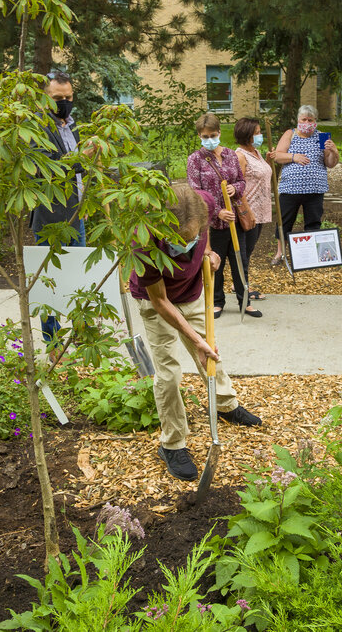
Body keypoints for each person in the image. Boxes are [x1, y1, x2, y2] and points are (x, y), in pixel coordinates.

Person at [129, 183, 262, 481]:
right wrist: (195, 339)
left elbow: (206, 236)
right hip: (156, 301)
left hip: (191, 291)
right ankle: (173, 443)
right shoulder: (144, 239)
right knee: (169, 373)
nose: (186, 245)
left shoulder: (202, 203)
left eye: (192, 238)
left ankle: (226, 405)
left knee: (210, 352)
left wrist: (212, 253)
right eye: (179, 241)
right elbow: (161, 301)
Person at [30, 70, 87, 362]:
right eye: (57, 98)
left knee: (80, 281)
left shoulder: (74, 126)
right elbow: (46, 168)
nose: (64, 103)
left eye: (68, 98)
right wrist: (82, 160)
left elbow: (80, 169)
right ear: (44, 98)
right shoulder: (36, 128)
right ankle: (53, 345)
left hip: (78, 216)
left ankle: (82, 338)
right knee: (50, 283)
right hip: (51, 219)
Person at [186, 113, 262, 319]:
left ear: (219, 132)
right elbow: (196, 192)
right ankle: (217, 302)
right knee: (214, 262)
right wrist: (217, 210)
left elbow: (241, 181)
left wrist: (234, 190)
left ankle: (244, 301)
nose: (209, 139)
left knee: (241, 260)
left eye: (212, 135)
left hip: (235, 219)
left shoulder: (230, 155)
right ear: (200, 137)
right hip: (213, 223)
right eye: (204, 136)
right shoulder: (195, 160)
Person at [273, 105, 339, 245]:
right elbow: (277, 156)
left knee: (313, 222)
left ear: (316, 121)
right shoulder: (290, 134)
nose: (307, 123)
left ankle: (311, 254)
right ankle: (281, 253)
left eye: (310, 120)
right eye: (304, 119)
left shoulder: (322, 136)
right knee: (285, 221)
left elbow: (330, 163)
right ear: (298, 120)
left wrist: (334, 152)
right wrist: (293, 157)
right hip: (290, 188)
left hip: (315, 189)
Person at [234, 117, 276, 303]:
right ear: (247, 135)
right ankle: (243, 288)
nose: (260, 136)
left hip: (262, 210)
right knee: (243, 253)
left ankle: (241, 284)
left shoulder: (256, 153)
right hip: (249, 211)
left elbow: (265, 179)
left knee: (248, 251)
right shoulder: (240, 155)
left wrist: (267, 162)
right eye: (257, 132)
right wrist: (247, 211)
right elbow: (239, 185)